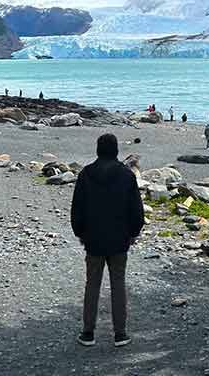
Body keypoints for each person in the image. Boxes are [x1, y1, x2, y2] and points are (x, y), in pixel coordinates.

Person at [71, 134, 144, 348]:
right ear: (116, 151)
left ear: (97, 150)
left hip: (93, 239)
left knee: (92, 285)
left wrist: (80, 234)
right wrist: (133, 233)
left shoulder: (86, 174)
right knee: (118, 285)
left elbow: (77, 210)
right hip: (120, 239)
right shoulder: (126, 175)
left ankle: (88, 333)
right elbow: (136, 212)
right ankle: (120, 334)